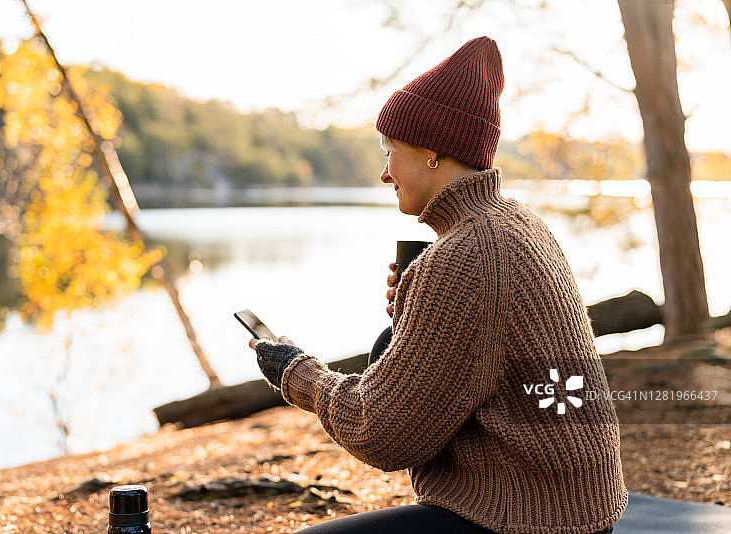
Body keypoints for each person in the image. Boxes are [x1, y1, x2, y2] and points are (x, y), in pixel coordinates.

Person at [248, 36, 627, 534]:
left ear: (430, 152)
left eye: (390, 151)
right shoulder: (513, 224)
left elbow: (381, 433)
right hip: (574, 503)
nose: (385, 173)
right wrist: (416, 310)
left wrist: (296, 373)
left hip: (532, 517)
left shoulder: (466, 256)